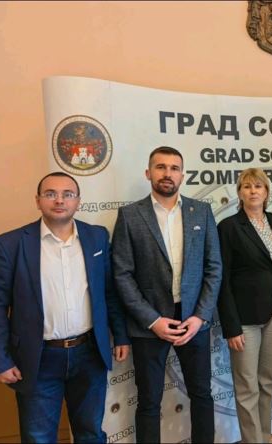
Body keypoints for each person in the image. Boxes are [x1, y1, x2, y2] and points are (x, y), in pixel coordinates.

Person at [0, 172, 130, 443]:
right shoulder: (11, 244)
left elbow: (109, 292)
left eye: (68, 194)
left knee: (90, 433)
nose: (59, 200)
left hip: (89, 353)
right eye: (50, 194)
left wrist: (121, 335)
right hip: (37, 358)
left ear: (78, 201)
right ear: (38, 200)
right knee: (38, 437)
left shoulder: (97, 237)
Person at [112, 146, 222, 443]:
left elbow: (214, 267)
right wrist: (152, 320)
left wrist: (200, 316)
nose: (167, 173)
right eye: (161, 167)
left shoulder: (201, 212)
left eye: (174, 168)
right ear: (148, 173)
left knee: (202, 394)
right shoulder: (130, 216)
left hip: (193, 321)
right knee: (149, 401)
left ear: (182, 175)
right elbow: (122, 274)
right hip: (149, 325)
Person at [217, 168, 272, 443]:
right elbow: (223, 279)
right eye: (247, 186)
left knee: (267, 382)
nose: (253, 191)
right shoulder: (228, 227)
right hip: (244, 319)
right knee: (247, 387)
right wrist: (231, 326)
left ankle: (265, 438)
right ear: (239, 193)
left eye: (258, 186)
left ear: (266, 192)